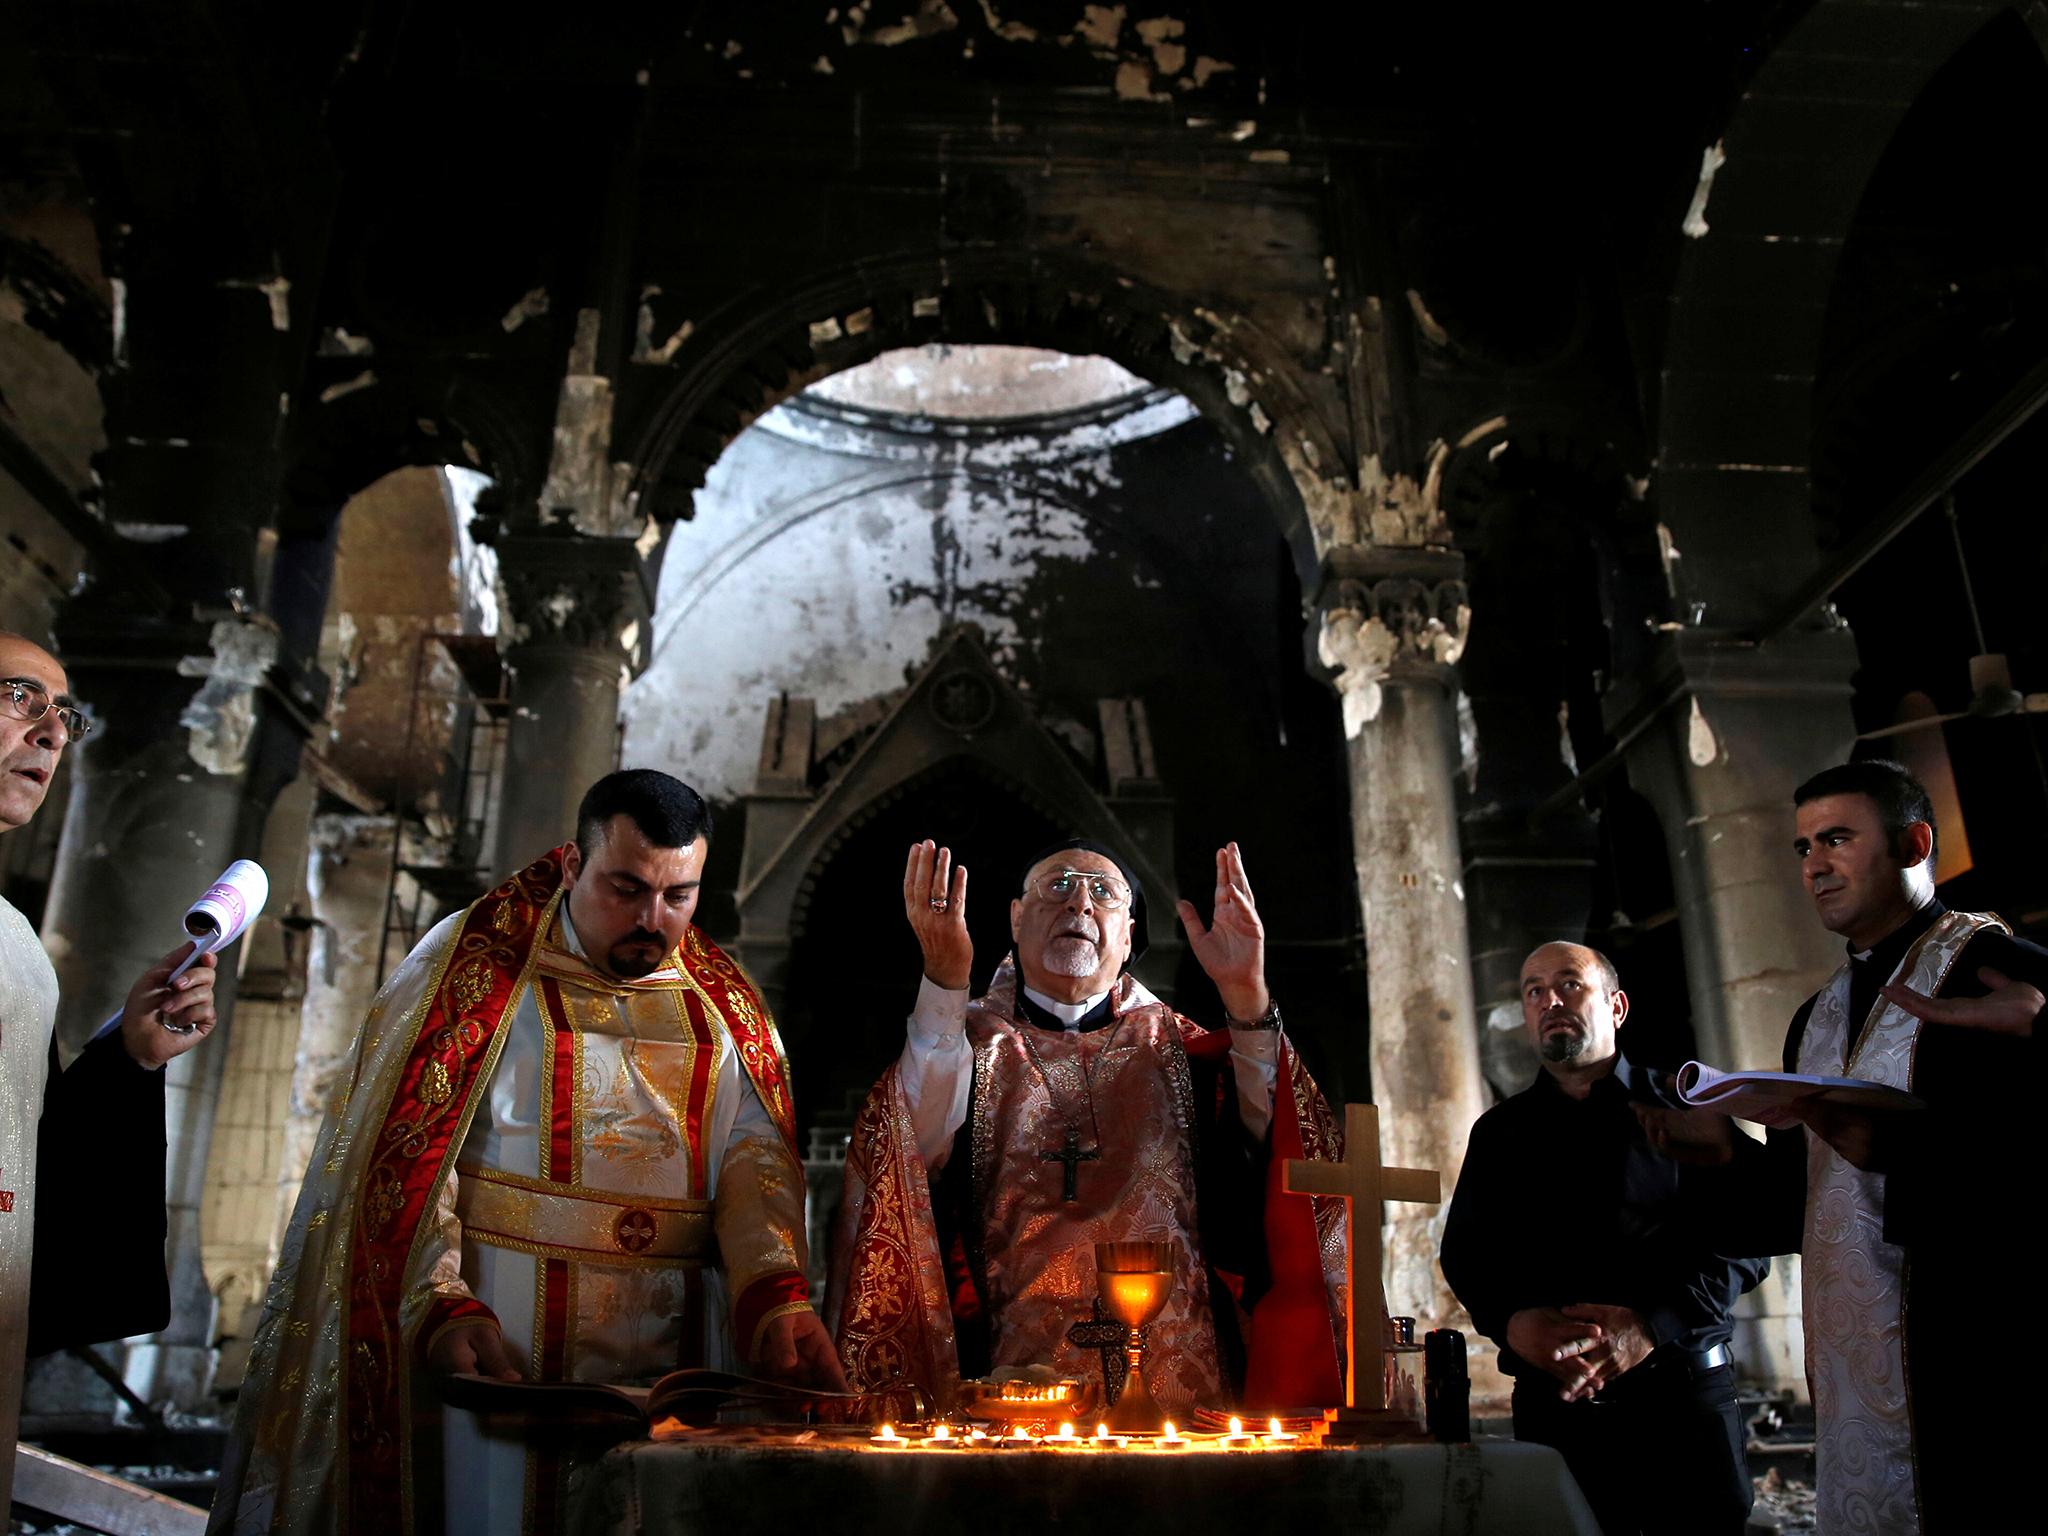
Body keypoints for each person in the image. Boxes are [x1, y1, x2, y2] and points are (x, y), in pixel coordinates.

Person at [212, 769, 840, 1536]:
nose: (653, 919)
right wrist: (438, 1302)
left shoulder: (724, 1005)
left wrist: (775, 1290)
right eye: (626, 887)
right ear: (573, 865)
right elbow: (405, 1164)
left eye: (679, 897)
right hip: (504, 1335)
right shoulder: (473, 970)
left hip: (676, 1353)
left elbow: (754, 1163)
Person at [829, 837, 1349, 1417]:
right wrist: (946, 981)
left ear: (1128, 936)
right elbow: (908, 1154)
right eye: (1058, 886)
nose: (1079, 903)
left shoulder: (1182, 1048)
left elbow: (1274, 1150)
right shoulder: (964, 1039)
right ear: (1016, 919)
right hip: (1009, 1393)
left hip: (1183, 1397)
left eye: (1104, 892)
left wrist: (1247, 998)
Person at [1704, 760, 2045, 1535]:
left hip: (1972, 1348)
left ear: (1914, 842)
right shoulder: (1814, 1016)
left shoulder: (2002, 973)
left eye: (1836, 839)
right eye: (1801, 849)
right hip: (1854, 1370)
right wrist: (1715, 1150)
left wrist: (1906, 1155)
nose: (1814, 865)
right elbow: (1799, 1204)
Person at [0, 630, 221, 1513]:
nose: (52, 733)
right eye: (20, 698)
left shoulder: (16, 947)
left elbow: (25, 1158)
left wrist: (128, 1059)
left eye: (65, 715)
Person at [1439, 940, 1765, 1536]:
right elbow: (1466, 1255)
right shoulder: (1499, 1133)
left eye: (1569, 984)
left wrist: (1649, 1327)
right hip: (1557, 1409)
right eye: (1534, 991)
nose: (1549, 1001)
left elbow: (1747, 1242)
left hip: (1682, 1404)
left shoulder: (1686, 1104)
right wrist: (1510, 1323)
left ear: (1616, 1007)